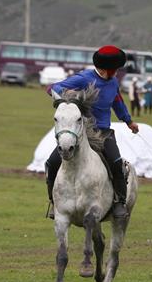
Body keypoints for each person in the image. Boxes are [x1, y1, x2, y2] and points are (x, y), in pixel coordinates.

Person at [45, 45, 139, 220]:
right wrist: (71, 100)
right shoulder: (83, 78)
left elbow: (117, 102)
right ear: (104, 69)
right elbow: (53, 88)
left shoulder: (113, 82)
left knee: (117, 163)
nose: (116, 73)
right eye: (114, 70)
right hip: (81, 134)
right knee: (52, 162)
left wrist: (128, 121)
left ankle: (119, 201)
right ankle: (54, 202)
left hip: (103, 133)